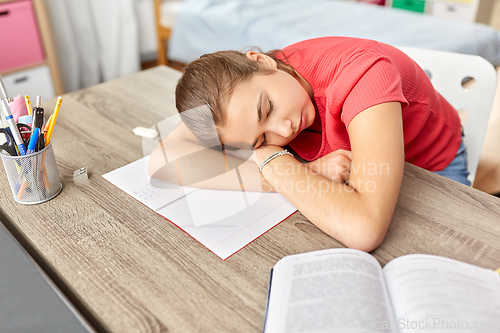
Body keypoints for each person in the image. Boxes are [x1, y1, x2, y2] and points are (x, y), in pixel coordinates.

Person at [148, 36, 469, 252]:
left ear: (262, 61)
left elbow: (363, 229)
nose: (284, 129)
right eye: (260, 139)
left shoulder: (362, 74)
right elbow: (163, 163)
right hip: (359, 174)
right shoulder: (235, 99)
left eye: (267, 109)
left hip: (428, 170)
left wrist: (270, 159)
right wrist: (307, 170)